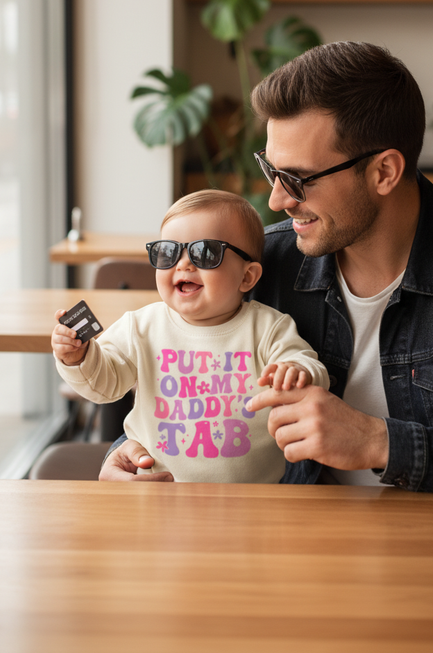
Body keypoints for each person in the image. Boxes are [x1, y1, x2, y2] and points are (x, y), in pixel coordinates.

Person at [100, 42, 433, 653]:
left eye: (297, 179)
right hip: (275, 567)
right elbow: (152, 366)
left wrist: (379, 442)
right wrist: (121, 460)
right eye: (271, 170)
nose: (275, 201)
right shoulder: (259, 266)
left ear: (384, 171)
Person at [52, 189, 328, 483]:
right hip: (160, 493)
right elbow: (103, 384)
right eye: (168, 252)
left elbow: (308, 367)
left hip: (253, 502)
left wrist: (297, 373)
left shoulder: (268, 328)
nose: (183, 264)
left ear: (247, 277)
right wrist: (78, 357)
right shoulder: (141, 326)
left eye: (205, 253)